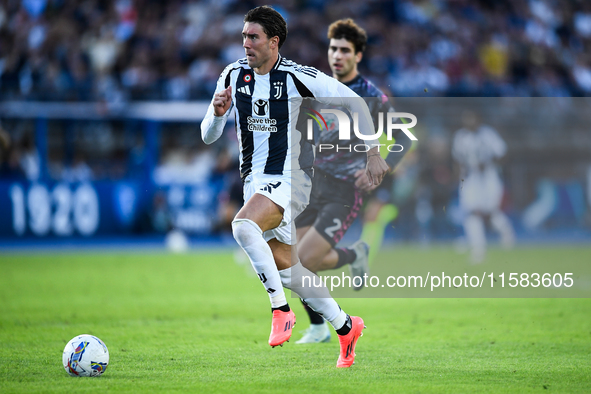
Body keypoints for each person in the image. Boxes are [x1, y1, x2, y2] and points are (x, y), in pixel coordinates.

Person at [200, 6, 389, 367]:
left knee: (242, 225)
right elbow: (208, 136)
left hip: (291, 180)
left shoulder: (299, 77)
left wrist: (373, 152)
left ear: (274, 42)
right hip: (254, 182)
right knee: (290, 271)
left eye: (253, 37)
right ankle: (346, 326)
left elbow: (355, 104)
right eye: (243, 36)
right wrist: (217, 113)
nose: (245, 44)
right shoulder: (231, 74)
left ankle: (280, 311)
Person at [294, 19, 412, 344]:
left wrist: (381, 165)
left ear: (358, 55)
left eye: (345, 50)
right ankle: (318, 326)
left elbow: (403, 139)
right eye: (333, 48)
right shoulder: (317, 88)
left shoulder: (372, 97)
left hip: (345, 190)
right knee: (290, 264)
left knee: (305, 261)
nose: (337, 55)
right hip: (312, 186)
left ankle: (350, 257)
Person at [452, 110, 515, 263]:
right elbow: (457, 159)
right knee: (472, 213)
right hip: (470, 177)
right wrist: (459, 177)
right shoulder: (460, 136)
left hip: (489, 177)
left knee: (489, 213)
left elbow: (503, 153)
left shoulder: (488, 134)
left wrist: (488, 163)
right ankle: (478, 249)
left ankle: (506, 231)